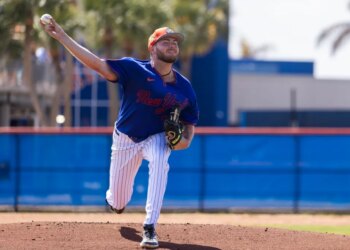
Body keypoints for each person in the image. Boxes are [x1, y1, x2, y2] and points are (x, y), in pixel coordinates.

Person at [40, 17, 199, 249]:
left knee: (160, 159)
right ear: (152, 48)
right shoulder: (134, 68)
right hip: (125, 138)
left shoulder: (184, 87)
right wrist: (62, 36)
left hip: (156, 137)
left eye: (175, 41)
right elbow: (96, 63)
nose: (173, 44)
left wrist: (183, 142)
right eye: (166, 41)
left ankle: (150, 226)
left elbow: (189, 125)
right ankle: (114, 201)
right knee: (118, 201)